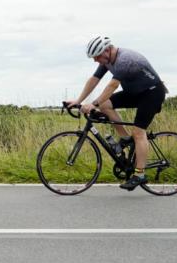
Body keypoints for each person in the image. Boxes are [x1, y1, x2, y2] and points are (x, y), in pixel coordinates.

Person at [69, 36, 168, 191]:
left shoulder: (125, 59)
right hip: (135, 93)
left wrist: (93, 104)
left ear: (107, 50)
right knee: (105, 105)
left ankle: (140, 175)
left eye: (97, 57)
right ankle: (125, 138)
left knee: (139, 133)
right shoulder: (107, 60)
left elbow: (112, 85)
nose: (96, 61)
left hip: (152, 93)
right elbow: (94, 79)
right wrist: (79, 100)